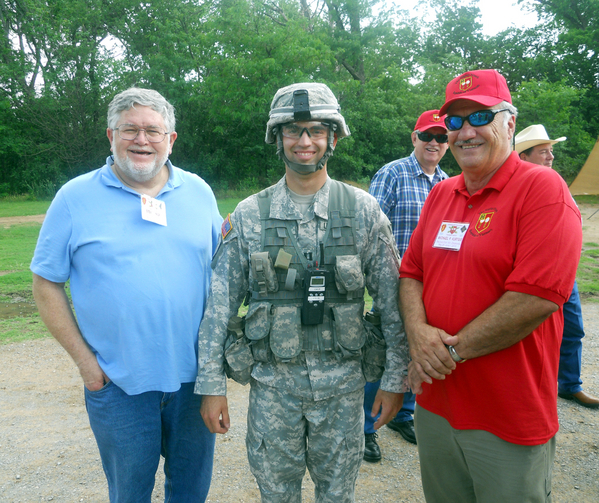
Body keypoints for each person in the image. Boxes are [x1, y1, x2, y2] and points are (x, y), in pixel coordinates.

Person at [195, 82, 409, 502]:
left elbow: (393, 302)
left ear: (332, 137)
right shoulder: (250, 215)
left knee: (337, 495)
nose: (304, 141)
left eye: (315, 130)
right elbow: (218, 306)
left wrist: (395, 380)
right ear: (278, 138)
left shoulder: (364, 211)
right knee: (276, 495)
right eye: (293, 131)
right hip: (274, 389)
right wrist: (211, 386)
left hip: (344, 391)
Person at [30, 88, 222, 502]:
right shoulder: (74, 198)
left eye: (153, 131)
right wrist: (87, 366)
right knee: (130, 494)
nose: (141, 140)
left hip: (194, 384)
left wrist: (216, 367)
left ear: (171, 140)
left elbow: (222, 274)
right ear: (110, 135)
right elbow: (46, 281)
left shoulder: (199, 193)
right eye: (129, 129)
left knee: (191, 492)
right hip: (117, 383)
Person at [399, 69, 582, 502]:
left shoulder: (543, 190)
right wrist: (417, 334)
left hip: (506, 414)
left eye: (479, 116)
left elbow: (534, 299)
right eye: (455, 122)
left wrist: (445, 352)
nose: (465, 131)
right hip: (437, 405)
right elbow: (411, 273)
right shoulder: (442, 194)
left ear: (509, 123)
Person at [363, 109, 449, 462]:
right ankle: (365, 428)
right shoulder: (393, 174)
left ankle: (403, 413)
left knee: (420, 350)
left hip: (436, 284)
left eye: (441, 137)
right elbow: (368, 226)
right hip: (396, 282)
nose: (434, 143)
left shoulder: (447, 183)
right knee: (385, 353)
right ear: (414, 138)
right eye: (427, 136)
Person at [516, 124, 599, 409]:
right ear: (524, 157)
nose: (551, 156)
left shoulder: (556, 182)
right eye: (544, 151)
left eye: (551, 151)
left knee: (573, 329)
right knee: (529, 335)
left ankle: (570, 385)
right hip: (532, 277)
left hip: (565, 274)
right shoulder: (517, 188)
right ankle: (530, 393)